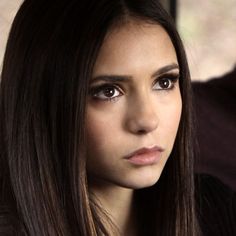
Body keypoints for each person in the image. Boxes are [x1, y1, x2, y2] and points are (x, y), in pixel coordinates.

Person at [0, 0, 235, 235]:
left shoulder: (214, 211)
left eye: (164, 82)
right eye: (108, 91)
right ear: (44, 99)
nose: (147, 121)